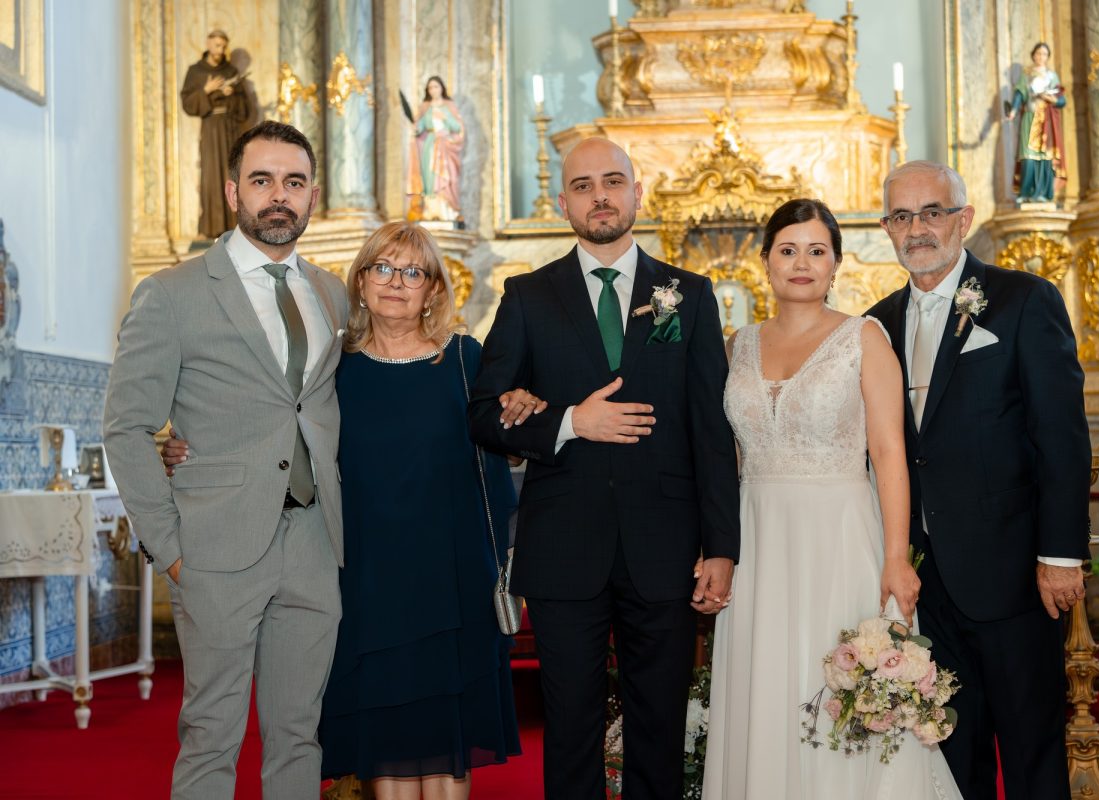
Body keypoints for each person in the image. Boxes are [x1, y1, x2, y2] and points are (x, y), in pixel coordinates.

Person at [467, 137, 740, 799]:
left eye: (613, 181)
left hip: (665, 547)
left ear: (636, 193)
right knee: (570, 729)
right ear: (563, 202)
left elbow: (711, 430)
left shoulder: (689, 294)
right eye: (583, 186)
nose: (600, 197)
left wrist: (721, 548)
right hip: (565, 547)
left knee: (660, 727)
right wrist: (569, 422)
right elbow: (483, 413)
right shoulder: (528, 295)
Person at [104, 121, 346, 799]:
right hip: (213, 547)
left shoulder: (332, 293)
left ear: (313, 195)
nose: (279, 196)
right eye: (262, 180)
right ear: (234, 190)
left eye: (294, 182)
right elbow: (126, 427)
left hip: (314, 542)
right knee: (212, 734)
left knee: (300, 733)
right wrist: (171, 549)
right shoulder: (173, 293)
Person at [703, 198, 961, 799]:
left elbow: (890, 454)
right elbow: (727, 457)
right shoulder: (737, 345)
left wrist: (896, 558)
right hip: (758, 541)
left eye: (816, 251)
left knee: (839, 688)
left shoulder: (863, 338)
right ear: (765, 261)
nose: (802, 263)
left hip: (840, 539)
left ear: (836, 264)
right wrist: (714, 545)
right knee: (768, 681)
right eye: (788, 250)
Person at [867, 160, 1090, 800]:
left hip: (1015, 576)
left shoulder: (1024, 300)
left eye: (932, 212)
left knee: (1031, 755)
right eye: (902, 216)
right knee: (950, 762)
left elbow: (1061, 436)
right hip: (924, 585)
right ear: (886, 228)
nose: (917, 229)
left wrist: (1060, 555)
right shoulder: (876, 325)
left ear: (963, 219)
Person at [315, 222, 522, 798]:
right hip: (368, 577)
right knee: (387, 728)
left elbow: (504, 442)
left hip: (452, 576)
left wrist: (523, 406)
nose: (396, 282)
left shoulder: (464, 359)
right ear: (361, 282)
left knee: (447, 729)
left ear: (433, 290)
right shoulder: (333, 368)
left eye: (413, 272)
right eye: (382, 267)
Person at [180, 29, 249, 239]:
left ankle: (235, 227)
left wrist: (232, 94)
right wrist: (206, 90)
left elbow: (244, 109)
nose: (220, 50)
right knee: (211, 176)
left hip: (230, 130)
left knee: (233, 175)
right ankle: (211, 229)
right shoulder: (196, 71)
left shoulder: (231, 71)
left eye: (223, 46)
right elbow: (188, 103)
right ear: (208, 44)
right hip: (210, 129)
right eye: (217, 45)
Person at [1005, 42, 1066, 203]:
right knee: (1028, 156)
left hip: (1046, 120)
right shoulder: (1026, 75)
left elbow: (1062, 100)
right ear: (1033, 55)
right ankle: (1026, 192)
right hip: (1030, 118)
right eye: (1038, 53)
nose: (1041, 57)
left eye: (1044, 54)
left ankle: (1043, 193)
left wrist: (1051, 98)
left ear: (1048, 57)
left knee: (1045, 156)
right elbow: (1019, 95)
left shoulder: (1052, 76)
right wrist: (1013, 111)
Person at [406, 76, 465, 222]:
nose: (433, 90)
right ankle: (431, 210)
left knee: (448, 177)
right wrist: (416, 129)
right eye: (430, 88)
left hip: (446, 145)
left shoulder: (448, 106)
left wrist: (445, 117)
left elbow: (458, 127)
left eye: (436, 87)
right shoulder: (426, 107)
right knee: (430, 178)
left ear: (442, 88)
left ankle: (448, 211)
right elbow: (421, 126)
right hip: (430, 145)